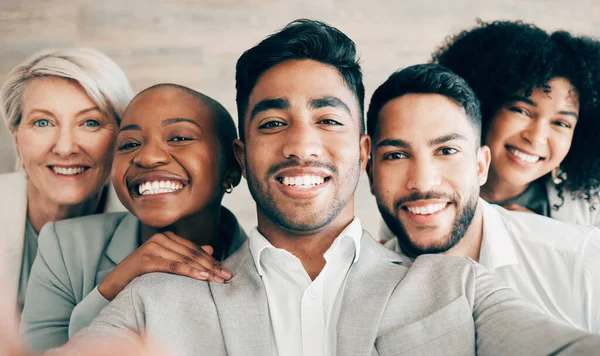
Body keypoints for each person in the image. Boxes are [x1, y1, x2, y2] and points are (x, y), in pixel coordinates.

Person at [52, 20, 600, 356]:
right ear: (241, 155)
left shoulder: (458, 286)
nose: (300, 146)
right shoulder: (156, 299)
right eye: (272, 123)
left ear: (363, 152)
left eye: (328, 120)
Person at [366, 63, 600, 332]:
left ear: (481, 166)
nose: (422, 182)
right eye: (396, 155)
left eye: (447, 151)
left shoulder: (581, 261)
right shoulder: (360, 294)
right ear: (371, 175)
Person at [20, 84, 245, 352]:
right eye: (129, 144)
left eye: (179, 138)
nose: (148, 157)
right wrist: (114, 286)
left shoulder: (261, 265)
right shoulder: (64, 245)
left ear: (232, 167)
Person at [0, 48, 133, 311]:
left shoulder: (147, 232)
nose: (65, 148)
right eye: (42, 123)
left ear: (122, 137)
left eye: (90, 123)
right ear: (16, 136)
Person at [431, 20, 600, 227]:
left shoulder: (590, 209)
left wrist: (544, 238)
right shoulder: (425, 191)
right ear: (483, 107)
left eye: (561, 123)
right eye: (521, 111)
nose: (536, 136)